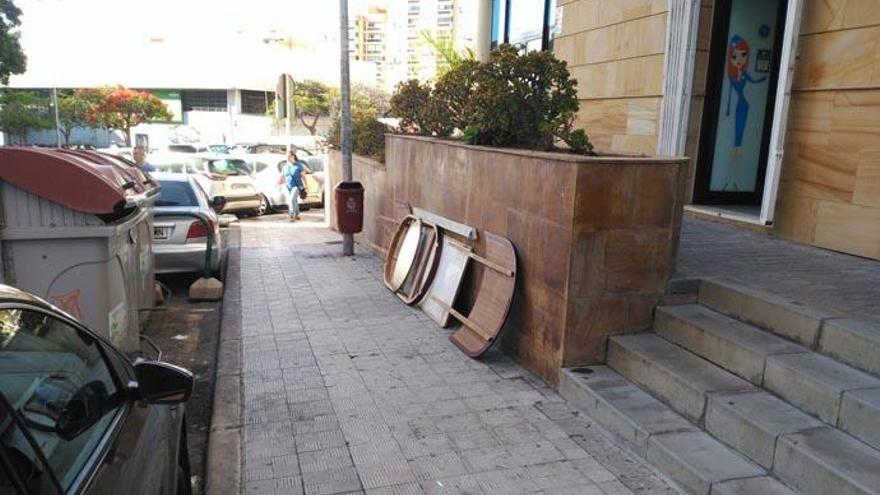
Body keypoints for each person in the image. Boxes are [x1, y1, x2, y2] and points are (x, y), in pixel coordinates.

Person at [281, 151, 307, 221]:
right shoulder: (285, 167)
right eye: (286, 157)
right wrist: (279, 184)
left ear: (293, 156)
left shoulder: (299, 165)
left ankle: (292, 215)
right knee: (294, 200)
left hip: (297, 186)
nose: (288, 158)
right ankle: (298, 214)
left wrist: (306, 185)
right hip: (288, 186)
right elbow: (282, 177)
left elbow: (303, 176)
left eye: (289, 156)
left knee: (291, 199)